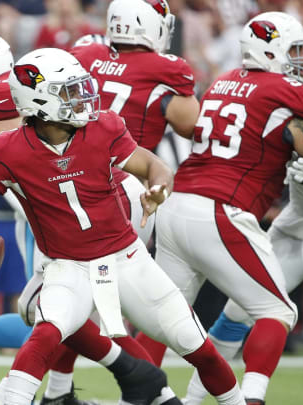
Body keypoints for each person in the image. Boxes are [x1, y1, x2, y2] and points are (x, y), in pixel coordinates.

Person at [0, 47, 246, 405]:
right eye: (69, 91)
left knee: (200, 349)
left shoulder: (104, 126)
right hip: (69, 268)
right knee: (45, 334)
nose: (82, 97)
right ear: (38, 101)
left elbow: (153, 166)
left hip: (128, 259)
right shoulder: (8, 149)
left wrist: (159, 188)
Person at [152, 12, 303, 405]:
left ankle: (142, 398)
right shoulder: (288, 91)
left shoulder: (223, 82)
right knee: (277, 313)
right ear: (272, 52)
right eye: (296, 50)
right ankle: (251, 398)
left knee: (157, 318)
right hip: (220, 211)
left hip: (177, 206)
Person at [69, 0, 201, 363]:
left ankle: (58, 390)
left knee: (78, 301)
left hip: (67, 180)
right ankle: (147, 379)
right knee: (110, 301)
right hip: (124, 185)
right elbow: (191, 123)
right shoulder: (166, 68)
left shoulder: (87, 52)